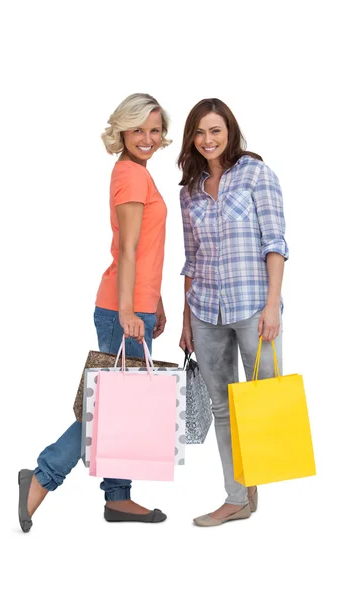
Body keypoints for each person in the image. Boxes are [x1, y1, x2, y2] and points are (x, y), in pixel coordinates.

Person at [18, 93, 172, 532]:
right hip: (122, 309)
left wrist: (153, 300)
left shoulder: (137, 173)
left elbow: (143, 251)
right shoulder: (130, 175)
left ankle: (118, 499)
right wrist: (129, 308)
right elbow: (125, 249)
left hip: (136, 305)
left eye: (154, 129)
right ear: (122, 130)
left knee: (122, 408)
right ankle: (42, 477)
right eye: (138, 129)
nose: (147, 137)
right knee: (108, 411)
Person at [178, 98, 289, 527]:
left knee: (263, 399)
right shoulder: (190, 191)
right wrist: (187, 319)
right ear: (192, 138)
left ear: (230, 132)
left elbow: (275, 243)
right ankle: (237, 496)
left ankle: (253, 477)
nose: (208, 140)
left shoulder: (257, 175)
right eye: (200, 133)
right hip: (205, 309)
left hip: (253, 308)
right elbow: (191, 260)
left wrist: (272, 305)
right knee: (223, 406)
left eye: (215, 131)